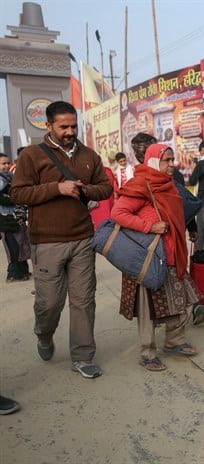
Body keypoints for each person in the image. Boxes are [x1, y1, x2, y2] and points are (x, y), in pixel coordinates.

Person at [10, 101, 113, 379]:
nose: (69, 131)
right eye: (63, 126)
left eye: (73, 126)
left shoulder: (90, 155)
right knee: (50, 302)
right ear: (49, 125)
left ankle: (82, 356)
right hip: (47, 241)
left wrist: (84, 189)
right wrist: (57, 187)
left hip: (82, 239)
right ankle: (44, 334)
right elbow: (18, 193)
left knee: (83, 300)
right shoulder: (33, 155)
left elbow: (105, 188)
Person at [111, 144, 202, 371]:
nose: (172, 164)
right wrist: (149, 226)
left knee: (183, 300)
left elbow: (180, 213)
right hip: (148, 256)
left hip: (171, 253)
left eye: (172, 160)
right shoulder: (141, 185)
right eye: (167, 160)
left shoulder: (169, 185)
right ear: (153, 162)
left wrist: (189, 227)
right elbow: (118, 213)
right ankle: (147, 352)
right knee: (147, 307)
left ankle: (174, 341)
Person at [0, 152, 31, 282]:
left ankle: (23, 271)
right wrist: (14, 198)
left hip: (17, 217)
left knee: (21, 243)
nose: (7, 166)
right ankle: (13, 273)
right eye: (3, 164)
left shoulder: (11, 177)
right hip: (5, 219)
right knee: (12, 246)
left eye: (8, 163)